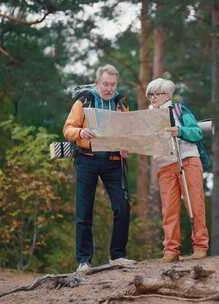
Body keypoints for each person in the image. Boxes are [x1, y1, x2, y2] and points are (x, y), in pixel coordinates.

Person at [63, 64, 135, 271]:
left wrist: (126, 146)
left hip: (114, 161)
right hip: (87, 159)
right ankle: (84, 260)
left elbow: (128, 133)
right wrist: (80, 133)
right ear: (97, 83)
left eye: (113, 85)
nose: (109, 88)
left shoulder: (121, 103)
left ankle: (118, 256)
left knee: (122, 207)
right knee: (84, 211)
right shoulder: (84, 100)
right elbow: (67, 129)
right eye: (105, 84)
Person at [146, 78, 209, 262]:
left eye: (157, 93)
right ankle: (171, 251)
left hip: (187, 159)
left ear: (167, 94)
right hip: (165, 164)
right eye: (151, 94)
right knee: (169, 208)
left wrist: (179, 131)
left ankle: (200, 246)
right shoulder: (148, 117)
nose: (153, 97)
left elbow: (196, 132)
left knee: (194, 203)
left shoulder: (179, 110)